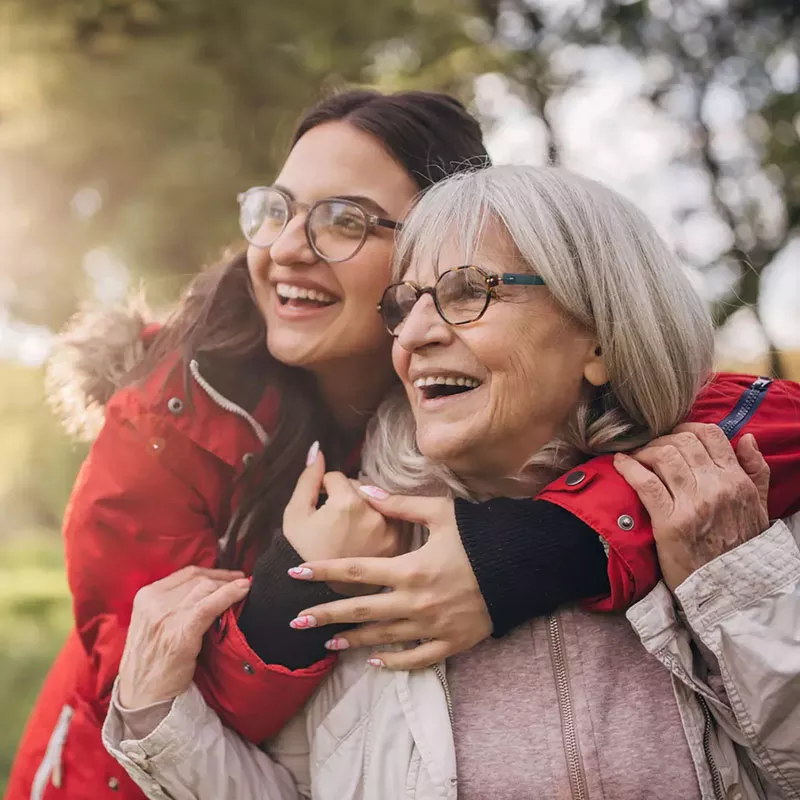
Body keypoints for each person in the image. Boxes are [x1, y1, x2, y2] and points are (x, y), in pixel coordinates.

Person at [104, 165, 800, 799]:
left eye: (470, 292)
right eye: (404, 306)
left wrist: (738, 597)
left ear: (599, 339)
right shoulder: (359, 553)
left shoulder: (734, 520)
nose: (411, 337)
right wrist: (158, 722)